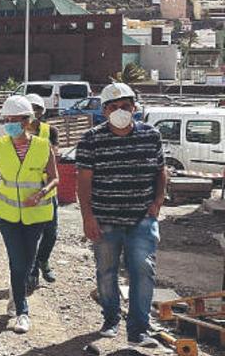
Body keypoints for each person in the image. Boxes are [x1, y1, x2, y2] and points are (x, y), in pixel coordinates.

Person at [77, 83, 166, 348]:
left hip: (141, 218)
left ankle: (138, 329)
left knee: (143, 270)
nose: (120, 111)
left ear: (134, 108)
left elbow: (160, 171)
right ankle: (111, 319)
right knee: (106, 271)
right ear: (104, 111)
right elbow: (84, 183)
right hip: (105, 219)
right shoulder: (90, 139)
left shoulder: (151, 135)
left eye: (125, 106)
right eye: (113, 107)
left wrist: (158, 201)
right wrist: (88, 217)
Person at [0, 95, 58, 334]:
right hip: (6, 215)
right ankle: (22, 311)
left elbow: (55, 177)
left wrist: (42, 192)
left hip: (36, 215)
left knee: (26, 262)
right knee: (18, 261)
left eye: (16, 120)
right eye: (7, 119)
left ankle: (15, 295)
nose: (10, 124)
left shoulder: (42, 145)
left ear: (27, 121)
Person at [24, 93, 60, 290]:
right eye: (30, 109)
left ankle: (43, 260)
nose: (33, 113)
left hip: (47, 191)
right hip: (27, 192)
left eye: (36, 109)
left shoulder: (49, 131)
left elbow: (54, 155)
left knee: (51, 233)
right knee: (31, 235)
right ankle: (32, 272)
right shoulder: (16, 133)